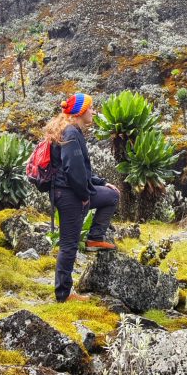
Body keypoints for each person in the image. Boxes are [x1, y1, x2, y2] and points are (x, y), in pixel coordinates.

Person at [44, 93, 120, 303]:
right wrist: (85, 196)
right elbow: (73, 170)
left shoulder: (70, 131)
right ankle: (64, 295)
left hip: (69, 192)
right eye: (91, 108)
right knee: (68, 244)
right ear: (80, 111)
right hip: (68, 195)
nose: (94, 112)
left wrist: (101, 182)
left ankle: (95, 238)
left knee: (111, 195)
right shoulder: (70, 133)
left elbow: (80, 171)